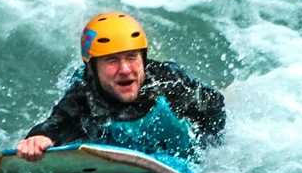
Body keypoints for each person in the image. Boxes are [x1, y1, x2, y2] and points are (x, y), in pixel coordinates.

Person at [15, 11, 225, 162]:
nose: (125, 69)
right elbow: (56, 123)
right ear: (93, 69)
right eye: (111, 60)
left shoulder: (167, 84)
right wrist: (38, 138)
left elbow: (215, 105)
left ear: (143, 59)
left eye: (132, 57)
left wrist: (207, 150)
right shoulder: (85, 94)